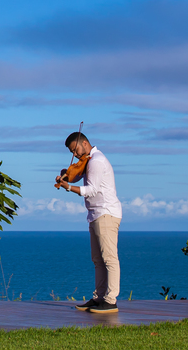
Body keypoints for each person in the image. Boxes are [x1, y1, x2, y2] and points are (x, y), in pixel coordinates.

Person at [55, 131, 122, 314]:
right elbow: (77, 175)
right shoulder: (89, 161)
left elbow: (91, 190)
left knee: (109, 259)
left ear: (84, 143)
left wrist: (68, 187)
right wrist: (66, 175)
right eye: (72, 152)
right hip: (96, 215)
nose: (75, 154)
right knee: (98, 260)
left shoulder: (96, 161)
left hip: (106, 213)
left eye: (75, 150)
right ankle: (99, 298)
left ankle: (110, 300)